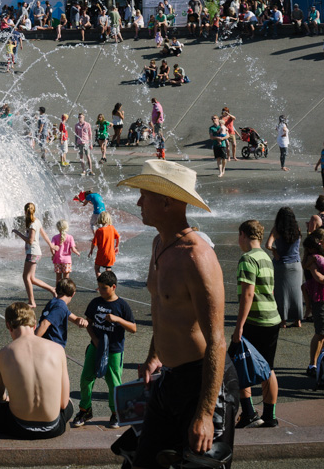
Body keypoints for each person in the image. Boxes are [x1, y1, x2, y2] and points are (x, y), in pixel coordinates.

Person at [117, 158, 238, 467]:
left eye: (145, 195)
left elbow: (217, 341)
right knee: (141, 460)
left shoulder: (197, 257)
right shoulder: (159, 244)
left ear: (167, 202)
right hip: (169, 378)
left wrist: (205, 414)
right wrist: (153, 356)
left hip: (204, 382)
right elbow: (163, 310)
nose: (139, 202)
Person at [0, 301, 73, 440]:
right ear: (34, 325)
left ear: (8, 325)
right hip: (54, 428)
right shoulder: (58, 349)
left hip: (17, 427)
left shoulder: (1, 355)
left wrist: (13, 399)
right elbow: (63, 403)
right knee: (69, 401)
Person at [71, 269, 136, 429]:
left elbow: (133, 328)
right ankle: (85, 410)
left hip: (114, 350)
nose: (100, 290)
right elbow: (90, 322)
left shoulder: (122, 305)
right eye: (99, 287)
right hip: (95, 347)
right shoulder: (95, 303)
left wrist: (118, 319)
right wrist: (95, 339)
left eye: (104, 288)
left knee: (113, 382)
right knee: (86, 379)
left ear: (113, 287)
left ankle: (115, 414)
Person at [232, 219, 281, 428]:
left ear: (243, 234)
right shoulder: (266, 257)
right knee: (267, 367)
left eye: (238, 236)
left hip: (255, 320)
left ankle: (249, 412)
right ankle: (270, 416)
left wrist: (239, 326)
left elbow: (248, 293)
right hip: (272, 318)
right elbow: (269, 290)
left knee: (239, 364)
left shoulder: (247, 258)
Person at [266, 206, 303, 327]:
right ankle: (298, 320)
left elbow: (268, 245)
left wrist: (275, 251)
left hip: (281, 265)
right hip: (296, 265)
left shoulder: (276, 230)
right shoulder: (297, 229)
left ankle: (283, 320)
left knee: (281, 293)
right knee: (297, 292)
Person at [14, 202, 57, 307]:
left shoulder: (33, 224)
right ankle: (52, 289)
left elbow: (30, 241)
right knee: (31, 278)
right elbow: (44, 234)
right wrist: (51, 246)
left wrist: (18, 233)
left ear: (25, 212)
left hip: (33, 252)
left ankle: (32, 302)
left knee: (26, 277)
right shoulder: (37, 221)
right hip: (35, 253)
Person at [35, 277, 88, 346]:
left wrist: (81, 320)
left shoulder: (54, 302)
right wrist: (33, 341)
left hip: (47, 344)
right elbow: (44, 323)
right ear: (73, 294)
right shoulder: (60, 307)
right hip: (52, 346)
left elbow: (74, 319)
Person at [301, 232, 324, 377]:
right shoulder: (313, 259)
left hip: (321, 297)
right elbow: (319, 278)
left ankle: (319, 362)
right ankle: (312, 364)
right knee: (321, 332)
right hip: (321, 299)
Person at [89, 211, 120, 277]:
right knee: (108, 268)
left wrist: (91, 251)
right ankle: (108, 283)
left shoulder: (99, 231)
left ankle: (100, 283)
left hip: (102, 254)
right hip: (111, 254)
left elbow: (94, 243)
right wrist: (117, 246)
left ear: (100, 219)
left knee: (97, 268)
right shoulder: (112, 228)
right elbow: (118, 237)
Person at [50, 219, 78, 285]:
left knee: (58, 278)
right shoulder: (70, 237)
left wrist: (54, 254)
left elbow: (51, 247)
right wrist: (77, 252)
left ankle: (58, 291)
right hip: (67, 261)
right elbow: (73, 249)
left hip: (57, 260)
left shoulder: (55, 237)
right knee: (66, 278)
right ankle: (65, 291)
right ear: (66, 227)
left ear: (58, 228)